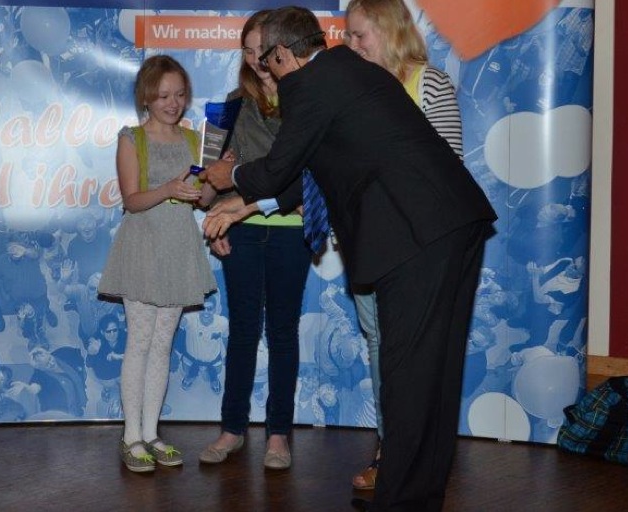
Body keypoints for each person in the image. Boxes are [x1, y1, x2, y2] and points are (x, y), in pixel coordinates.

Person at [203, 7, 496, 512]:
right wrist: (243, 205)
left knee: (407, 377)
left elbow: (277, 169)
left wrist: (229, 178)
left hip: (416, 234)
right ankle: (419, 496)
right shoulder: (344, 72)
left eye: (266, 60)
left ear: (283, 53)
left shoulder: (309, 84)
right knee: (433, 373)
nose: (265, 71)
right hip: (450, 224)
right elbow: (310, 171)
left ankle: (400, 501)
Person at [343, 0, 465, 491]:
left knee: (413, 352)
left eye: (359, 35)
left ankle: (413, 456)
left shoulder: (428, 83)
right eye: (347, 36)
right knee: (380, 344)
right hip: (365, 240)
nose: (350, 45)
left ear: (390, 30)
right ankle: (389, 448)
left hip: (419, 246)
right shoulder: (351, 89)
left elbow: (451, 170)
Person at [198, 10, 312, 471]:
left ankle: (279, 434)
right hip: (240, 228)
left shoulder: (305, 99)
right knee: (243, 330)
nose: (254, 59)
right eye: (246, 50)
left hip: (292, 229)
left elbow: (311, 173)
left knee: (283, 332)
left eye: (261, 49)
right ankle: (232, 429)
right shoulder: (230, 105)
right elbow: (209, 178)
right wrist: (215, 220)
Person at [97, 55, 217, 473]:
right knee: (140, 341)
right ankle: (131, 436)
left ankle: (150, 433)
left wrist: (216, 174)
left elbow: (203, 199)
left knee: (163, 344)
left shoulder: (194, 140)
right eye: (164, 95)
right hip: (142, 247)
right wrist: (167, 188)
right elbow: (131, 200)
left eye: (180, 94)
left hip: (179, 248)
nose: (173, 103)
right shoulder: (132, 139)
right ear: (146, 97)